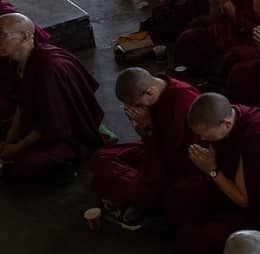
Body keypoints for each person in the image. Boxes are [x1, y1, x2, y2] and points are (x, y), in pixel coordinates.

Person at [169, 93, 260, 254]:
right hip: (229, 184)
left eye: (205, 134)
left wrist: (212, 170)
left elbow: (244, 200)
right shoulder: (234, 116)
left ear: (227, 123)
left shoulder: (257, 142)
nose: (202, 139)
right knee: (178, 194)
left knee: (187, 243)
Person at [90, 68, 200, 229]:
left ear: (150, 93)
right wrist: (142, 127)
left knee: (156, 192)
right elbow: (146, 140)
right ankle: (131, 192)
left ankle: (134, 196)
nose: (136, 110)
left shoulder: (184, 102)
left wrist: (147, 125)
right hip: (152, 149)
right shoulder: (153, 93)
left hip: (177, 164)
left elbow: (172, 158)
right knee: (100, 157)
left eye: (137, 105)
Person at [0, 13, 103, 180]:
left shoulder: (49, 69)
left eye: (1, 35)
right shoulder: (16, 61)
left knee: (25, 163)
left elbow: (52, 123)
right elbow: (22, 104)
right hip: (41, 123)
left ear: (26, 36)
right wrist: (10, 138)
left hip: (66, 132)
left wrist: (16, 147)